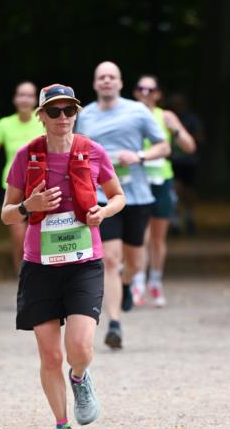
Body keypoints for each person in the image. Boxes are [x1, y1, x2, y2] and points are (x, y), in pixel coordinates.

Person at [2, 83, 125, 429]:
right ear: (40, 116)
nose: (62, 118)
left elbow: (118, 196)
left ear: (76, 113)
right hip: (40, 266)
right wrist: (30, 204)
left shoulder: (93, 152)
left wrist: (102, 211)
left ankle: (81, 376)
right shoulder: (26, 157)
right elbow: (7, 214)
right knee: (50, 355)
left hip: (84, 263)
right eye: (53, 111)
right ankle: (61, 427)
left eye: (68, 111)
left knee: (80, 348)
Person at [76, 61, 169, 349]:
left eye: (111, 77)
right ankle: (114, 323)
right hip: (102, 198)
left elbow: (163, 147)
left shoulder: (137, 111)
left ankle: (128, 285)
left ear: (119, 83)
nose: (106, 81)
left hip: (136, 196)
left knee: (133, 262)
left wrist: (139, 156)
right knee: (110, 259)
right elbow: (75, 151)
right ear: (94, 84)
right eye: (100, 77)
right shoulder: (85, 116)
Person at [131, 75, 196, 307]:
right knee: (140, 236)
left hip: (162, 180)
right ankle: (137, 283)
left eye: (151, 89)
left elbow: (190, 147)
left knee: (157, 238)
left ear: (158, 94)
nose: (146, 93)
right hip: (137, 181)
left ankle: (155, 282)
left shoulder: (166, 116)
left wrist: (175, 131)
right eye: (141, 88)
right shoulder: (129, 115)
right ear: (135, 92)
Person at [0, 82, 44, 273]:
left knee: (41, 237)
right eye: (21, 95)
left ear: (35, 100)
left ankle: (41, 278)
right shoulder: (5, 124)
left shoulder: (44, 121)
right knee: (19, 239)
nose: (25, 99)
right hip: (13, 187)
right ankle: (22, 277)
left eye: (29, 95)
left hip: (41, 186)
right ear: (15, 99)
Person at [168, 93, 202, 235]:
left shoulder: (191, 119)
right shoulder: (167, 118)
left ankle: (189, 218)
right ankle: (175, 221)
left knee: (188, 192)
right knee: (175, 190)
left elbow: (200, 137)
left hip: (188, 162)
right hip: (173, 161)